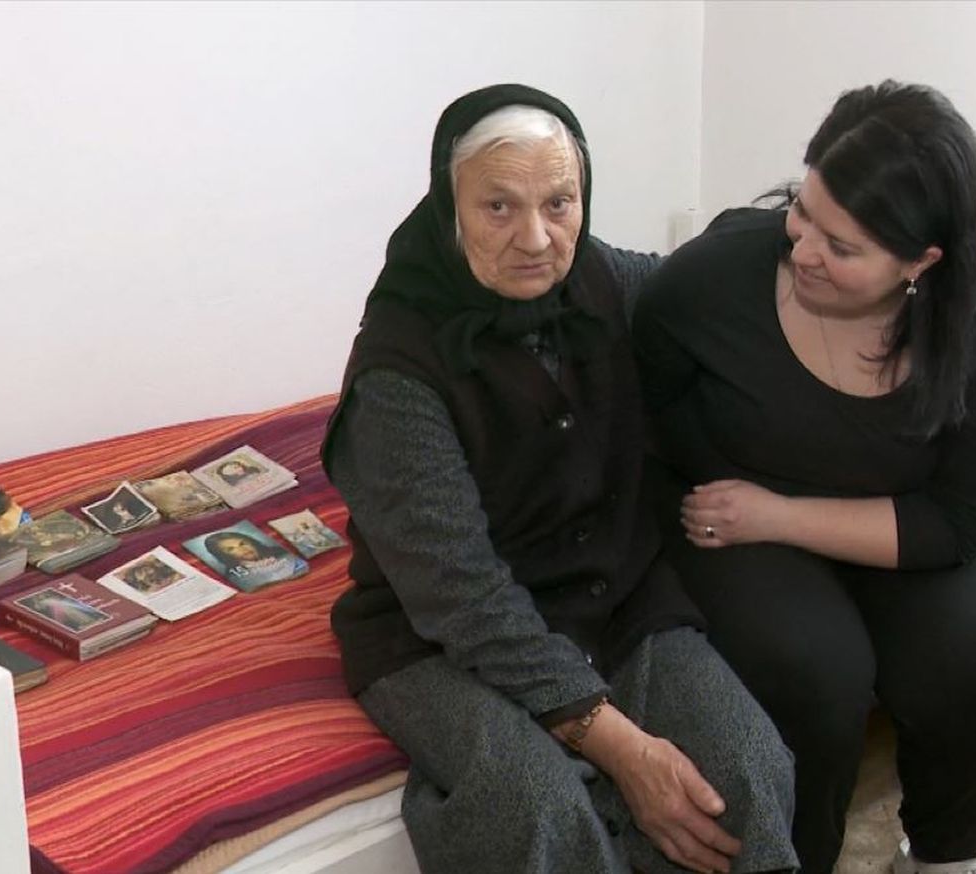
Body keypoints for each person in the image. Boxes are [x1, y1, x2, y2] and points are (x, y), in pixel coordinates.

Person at [321, 84, 797, 874]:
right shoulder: (396, 373)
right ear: (448, 207)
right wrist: (625, 751)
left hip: (611, 599)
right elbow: (461, 598)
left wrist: (808, 232)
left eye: (559, 203)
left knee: (748, 765)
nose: (535, 238)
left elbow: (703, 279)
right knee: (539, 809)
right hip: (436, 638)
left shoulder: (603, 278)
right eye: (498, 207)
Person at [632, 80, 976, 874]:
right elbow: (647, 405)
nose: (803, 251)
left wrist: (780, 514)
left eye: (844, 247)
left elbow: (962, 518)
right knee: (813, 676)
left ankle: (944, 859)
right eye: (803, 211)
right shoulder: (710, 281)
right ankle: (795, 862)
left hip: (901, 523)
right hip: (733, 518)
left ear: (922, 262)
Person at [201, 529, 304, 584]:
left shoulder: (279, 551)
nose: (243, 549)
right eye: (231, 549)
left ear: (252, 542)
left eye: (242, 544)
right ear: (223, 555)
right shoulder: (233, 575)